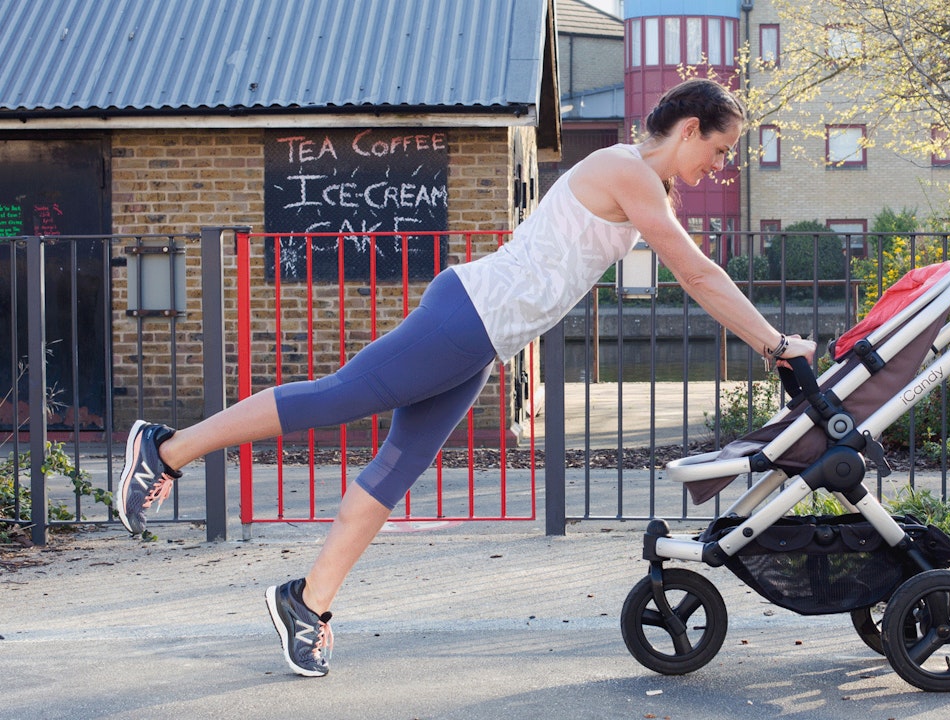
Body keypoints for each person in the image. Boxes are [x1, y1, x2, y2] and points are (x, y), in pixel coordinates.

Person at [115, 78, 817, 677]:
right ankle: (165, 449)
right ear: (689, 129)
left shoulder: (640, 180)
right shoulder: (628, 168)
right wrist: (775, 341)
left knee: (397, 468)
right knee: (337, 398)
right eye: (719, 150)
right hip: (468, 317)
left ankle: (309, 602)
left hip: (483, 336)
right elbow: (695, 273)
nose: (720, 167)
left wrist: (768, 340)